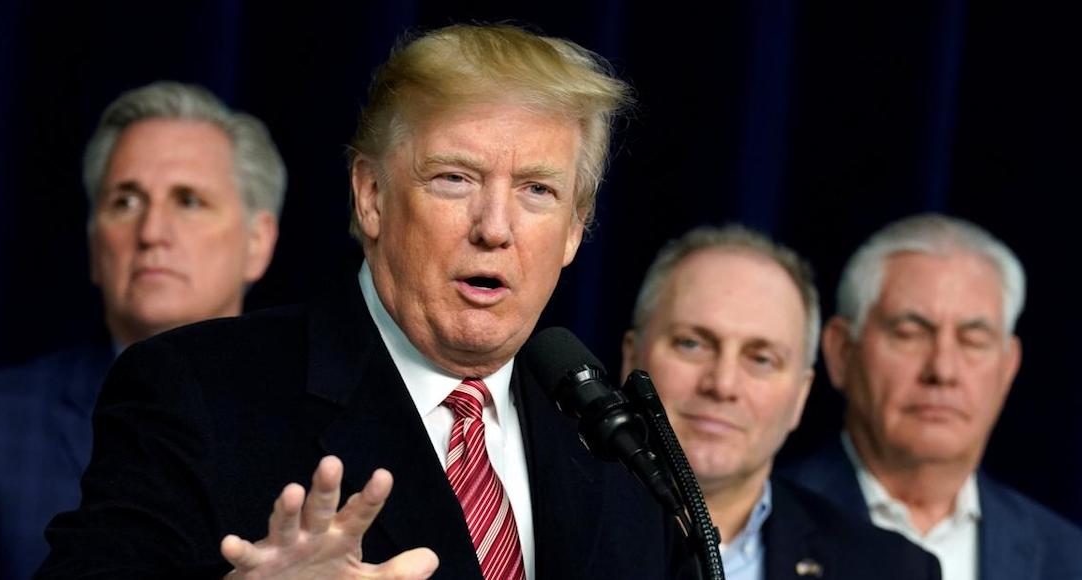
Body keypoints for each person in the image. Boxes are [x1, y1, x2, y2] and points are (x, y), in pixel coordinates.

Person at [37, 24, 683, 580]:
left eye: (537, 190)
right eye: (455, 179)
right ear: (371, 195)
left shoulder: (615, 447)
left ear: (575, 228)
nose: (495, 226)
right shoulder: (195, 390)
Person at [0, 81, 285, 580]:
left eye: (188, 201)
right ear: (95, 244)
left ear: (258, 242)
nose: (151, 233)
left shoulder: (323, 430)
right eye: (125, 201)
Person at [621, 225, 941, 580]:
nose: (723, 384)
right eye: (692, 344)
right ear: (632, 356)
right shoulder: (552, 529)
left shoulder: (891, 569)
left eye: (761, 359)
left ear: (801, 395)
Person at [783, 214, 1082, 580]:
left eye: (973, 340)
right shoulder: (758, 526)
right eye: (909, 334)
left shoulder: (1066, 557)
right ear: (842, 352)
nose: (943, 370)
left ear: (1008, 368)